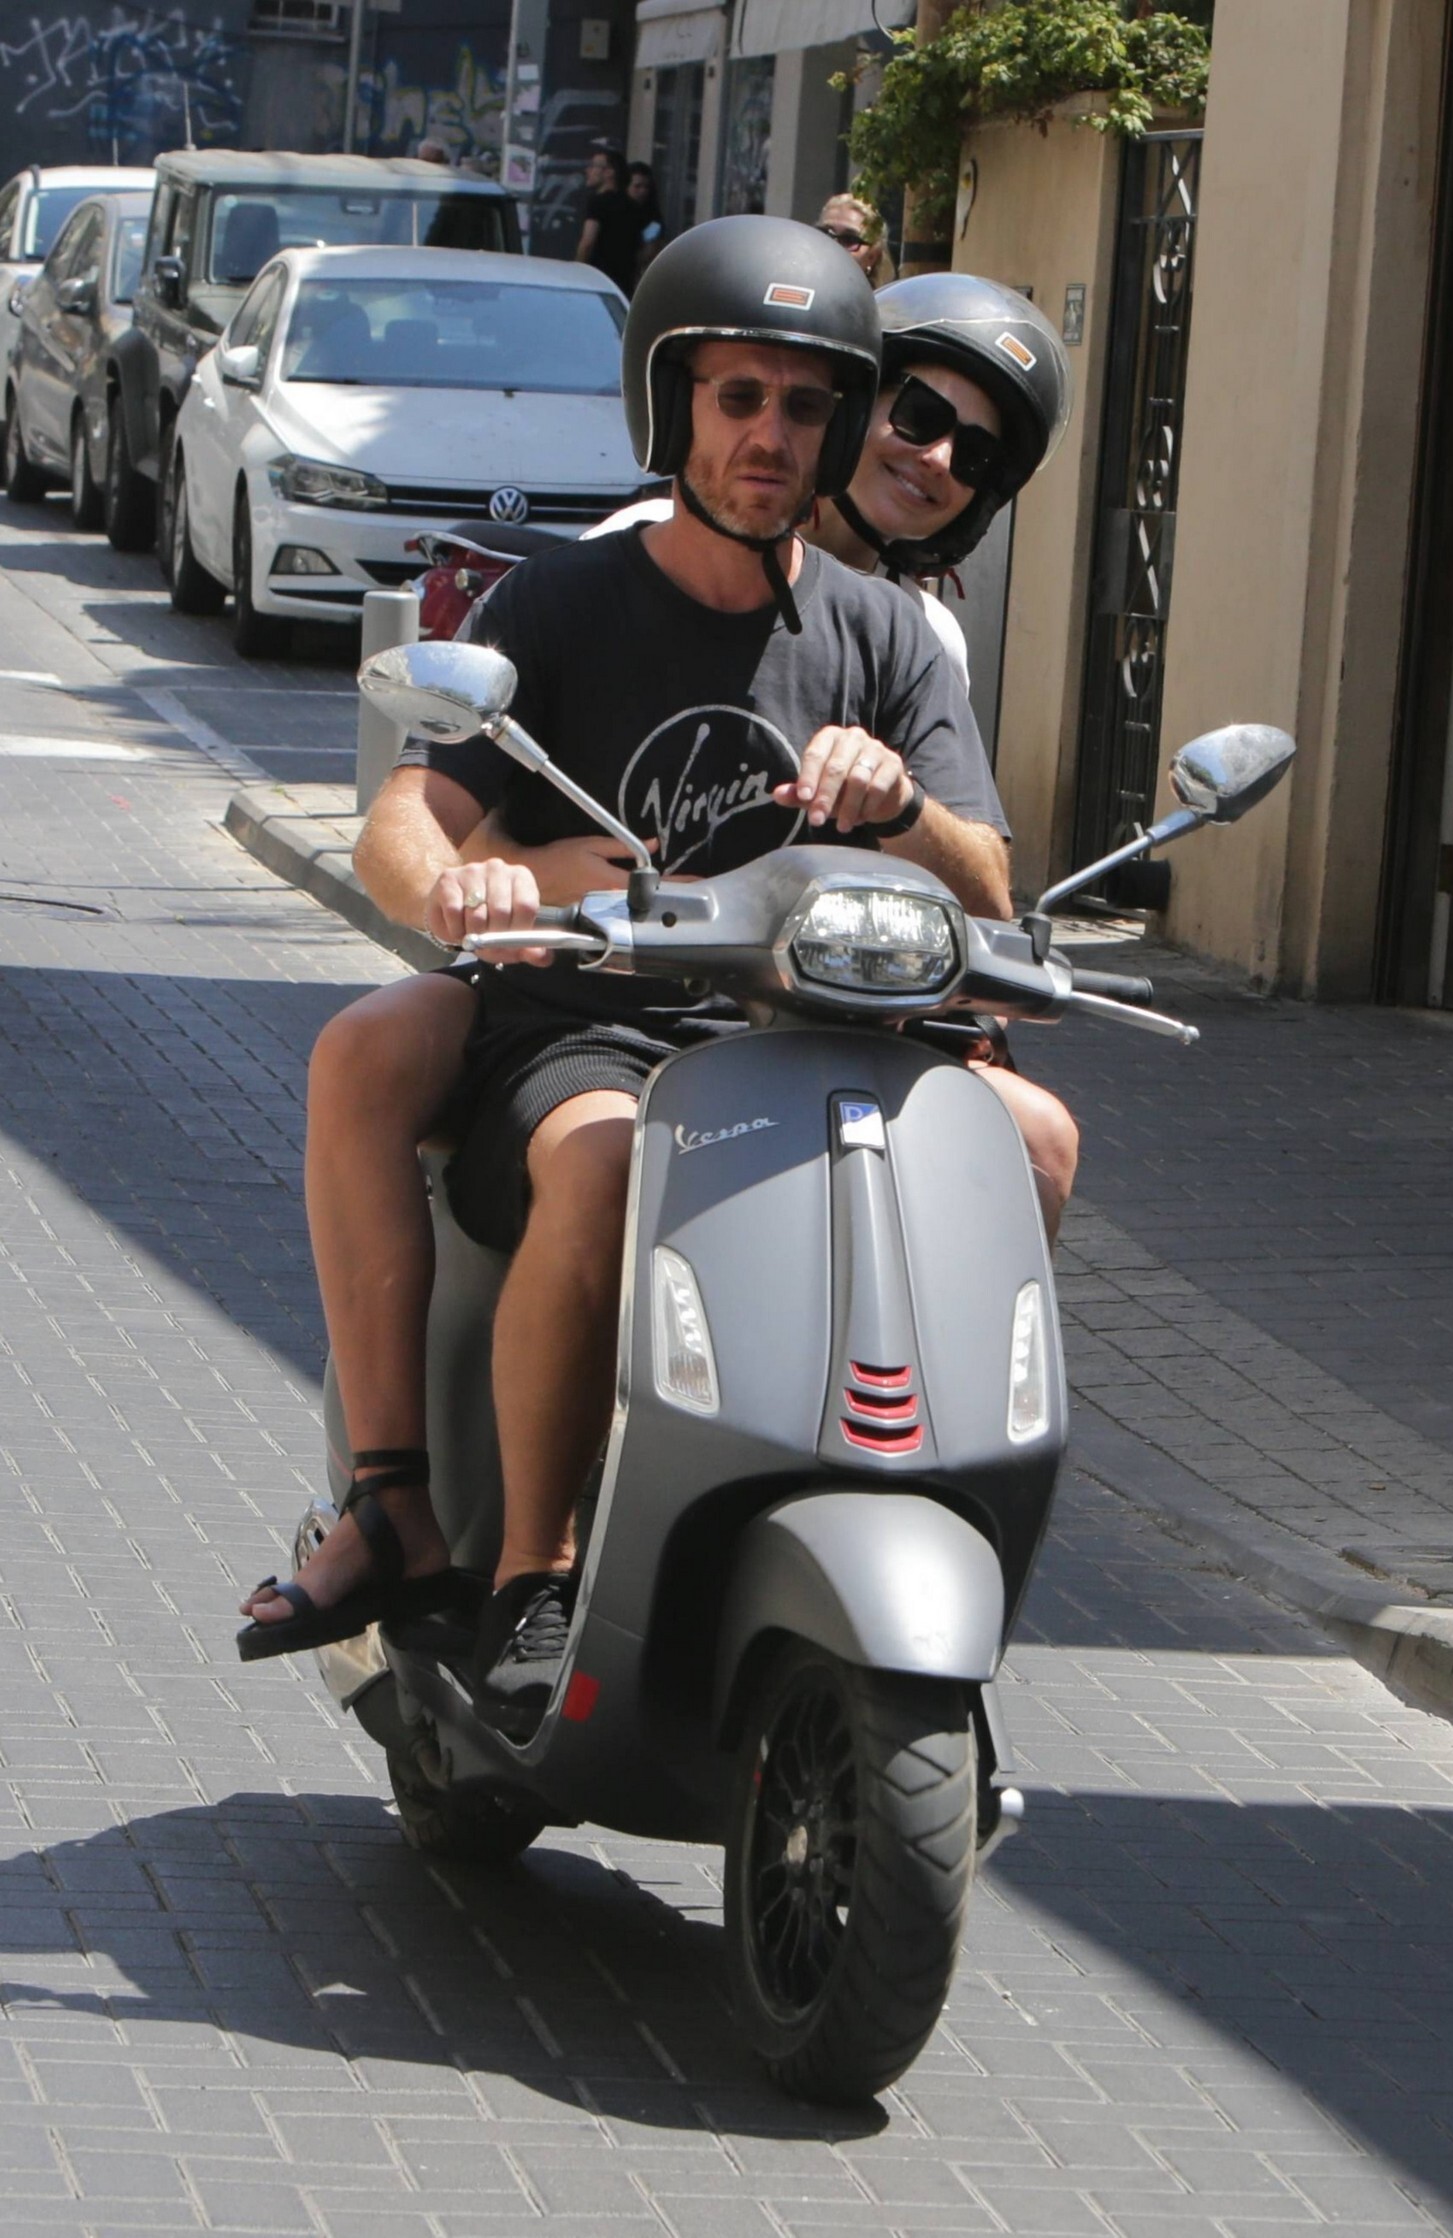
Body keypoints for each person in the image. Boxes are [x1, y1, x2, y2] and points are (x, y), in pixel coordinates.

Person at [236, 227, 1079, 1712]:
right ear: (671, 407)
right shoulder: (565, 601)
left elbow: (992, 887)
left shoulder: (889, 636)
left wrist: (903, 805)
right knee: (609, 1155)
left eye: (805, 407)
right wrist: (465, 885)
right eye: (736, 397)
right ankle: (532, 1570)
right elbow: (403, 821)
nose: (770, 437)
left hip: (822, 1039)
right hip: (600, 1032)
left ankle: (922, 1485)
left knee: (1036, 1138)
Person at [574, 144, 644, 296]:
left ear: (609, 172)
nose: (588, 170)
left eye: (594, 166)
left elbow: (587, 242)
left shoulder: (597, 202)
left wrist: (577, 272)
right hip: (623, 284)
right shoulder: (634, 207)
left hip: (597, 280)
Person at [816, 193, 894, 289]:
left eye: (849, 239)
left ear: (871, 257)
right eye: (825, 234)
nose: (834, 245)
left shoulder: (883, 299)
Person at [626, 161, 665, 281]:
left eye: (646, 187)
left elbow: (651, 249)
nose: (642, 191)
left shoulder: (652, 217)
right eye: (637, 186)